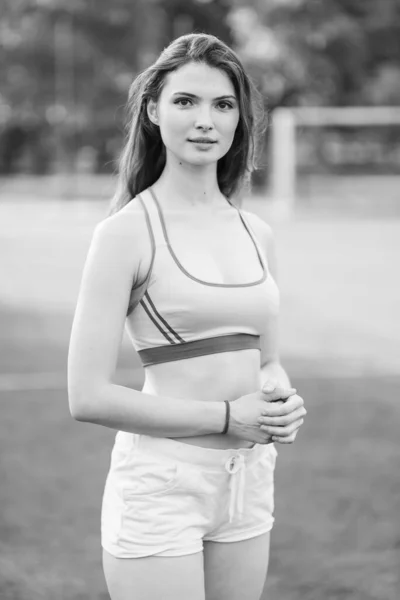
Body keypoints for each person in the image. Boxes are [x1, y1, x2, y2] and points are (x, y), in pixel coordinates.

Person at [67, 32, 306, 600]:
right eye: (185, 101)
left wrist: (279, 403)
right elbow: (86, 396)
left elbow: (267, 360)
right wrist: (229, 417)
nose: (206, 120)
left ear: (240, 118)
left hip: (249, 480)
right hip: (163, 482)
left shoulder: (257, 234)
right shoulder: (125, 233)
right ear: (153, 110)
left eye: (222, 105)